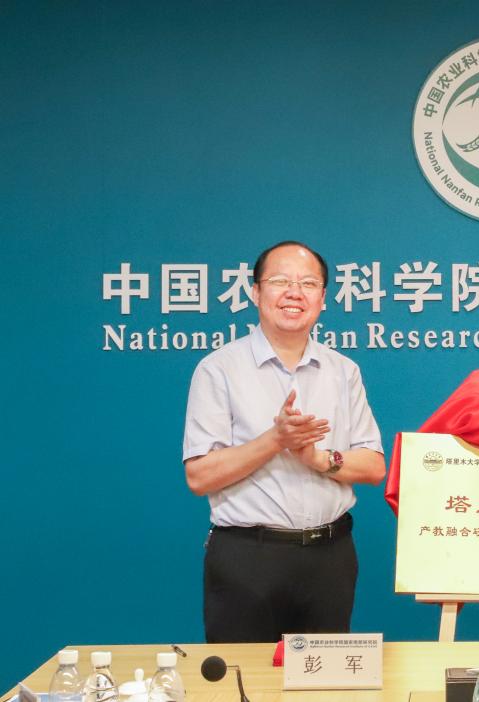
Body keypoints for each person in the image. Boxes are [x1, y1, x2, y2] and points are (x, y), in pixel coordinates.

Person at [183, 240, 385, 642]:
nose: (295, 293)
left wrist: (317, 458)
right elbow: (200, 476)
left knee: (326, 676)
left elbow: (374, 466)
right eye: (280, 281)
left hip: (330, 557)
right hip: (248, 558)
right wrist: (276, 439)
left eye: (308, 284)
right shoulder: (218, 369)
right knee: (244, 676)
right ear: (255, 292)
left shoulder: (343, 370)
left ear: (323, 298)